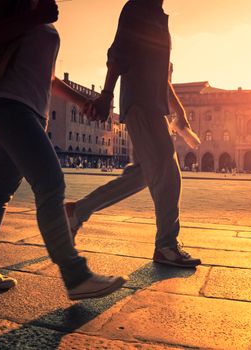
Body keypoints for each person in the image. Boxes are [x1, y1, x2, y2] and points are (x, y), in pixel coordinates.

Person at [0, 0, 126, 300]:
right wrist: (36, 16)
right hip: (9, 105)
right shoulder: (25, 8)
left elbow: (47, 79)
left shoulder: (41, 10)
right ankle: (76, 275)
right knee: (50, 184)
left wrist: (81, 102)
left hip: (32, 113)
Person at [66, 0, 201, 268]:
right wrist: (105, 96)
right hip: (142, 104)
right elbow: (118, 56)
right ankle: (166, 246)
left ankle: (76, 211)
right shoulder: (138, 8)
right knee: (167, 173)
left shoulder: (157, 16)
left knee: (142, 175)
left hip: (152, 105)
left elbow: (162, 78)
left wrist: (180, 112)